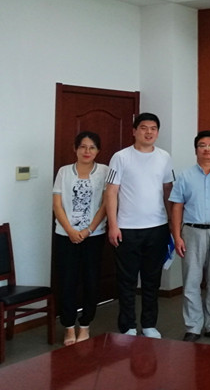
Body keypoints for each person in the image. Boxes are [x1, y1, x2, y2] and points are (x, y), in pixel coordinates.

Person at [105, 112, 174, 338]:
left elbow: (167, 190)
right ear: (134, 131)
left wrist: (172, 223)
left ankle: (149, 324)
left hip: (157, 227)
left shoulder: (164, 157)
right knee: (126, 280)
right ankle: (128, 325)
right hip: (127, 228)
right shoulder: (121, 157)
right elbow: (111, 192)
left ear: (157, 132)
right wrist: (113, 225)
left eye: (153, 128)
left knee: (152, 280)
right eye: (144, 128)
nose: (149, 132)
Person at [169, 130, 210, 343]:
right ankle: (193, 326)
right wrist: (177, 236)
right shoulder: (185, 176)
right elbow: (177, 207)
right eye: (202, 145)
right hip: (192, 232)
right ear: (196, 150)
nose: (207, 149)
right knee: (191, 281)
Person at [52, 131, 110, 346]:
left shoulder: (104, 171)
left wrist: (88, 230)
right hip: (65, 236)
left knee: (91, 281)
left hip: (93, 236)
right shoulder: (64, 172)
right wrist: (70, 230)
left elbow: (106, 204)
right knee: (67, 281)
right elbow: (57, 204)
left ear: (98, 151)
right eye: (83, 147)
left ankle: (85, 324)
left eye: (92, 147)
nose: (87, 151)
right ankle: (68, 326)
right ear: (75, 149)